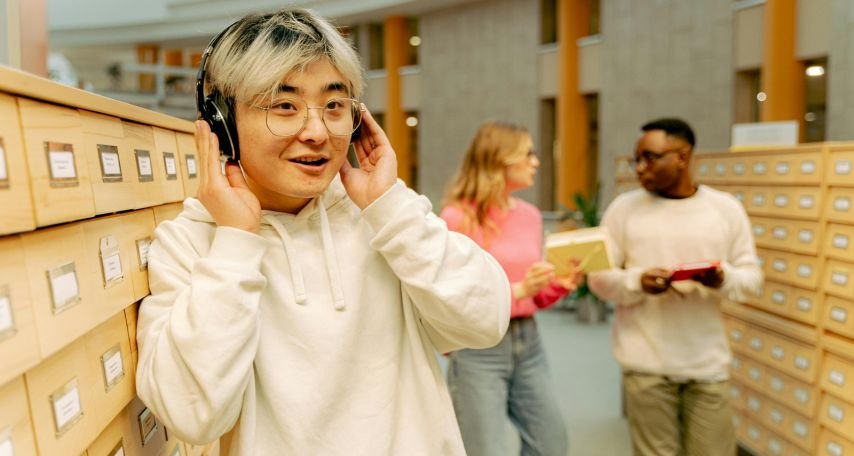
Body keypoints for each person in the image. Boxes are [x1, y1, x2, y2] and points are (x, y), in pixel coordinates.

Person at [134, 8, 511, 456]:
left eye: (333, 106)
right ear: (223, 124)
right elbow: (192, 415)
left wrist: (391, 209)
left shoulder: (384, 218)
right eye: (284, 106)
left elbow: (485, 322)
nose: (316, 132)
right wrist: (236, 243)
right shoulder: (191, 243)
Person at [588, 118, 763, 456]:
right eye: (636, 159)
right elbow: (598, 278)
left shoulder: (725, 209)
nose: (640, 168)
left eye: (650, 158)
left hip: (707, 364)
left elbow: (752, 279)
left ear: (682, 157)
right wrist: (637, 281)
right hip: (646, 364)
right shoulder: (623, 210)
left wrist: (722, 278)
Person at [441, 121, 582, 456]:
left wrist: (557, 286)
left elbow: (535, 297)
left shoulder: (530, 216)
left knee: (551, 444)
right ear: (500, 159)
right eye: (528, 153)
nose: (536, 161)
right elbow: (452, 295)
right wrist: (517, 289)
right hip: (478, 347)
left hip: (527, 340)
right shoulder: (457, 218)